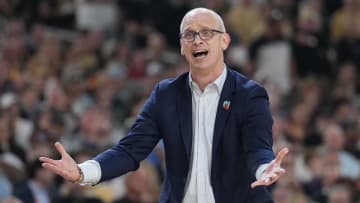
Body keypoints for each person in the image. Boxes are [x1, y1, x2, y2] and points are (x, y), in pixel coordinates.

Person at [39, 7, 289, 203]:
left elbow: (257, 148)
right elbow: (130, 150)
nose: (197, 40)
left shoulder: (249, 94)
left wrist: (263, 169)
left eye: (207, 33)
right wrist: (83, 172)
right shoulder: (166, 94)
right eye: (189, 34)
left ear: (225, 41)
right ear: (181, 46)